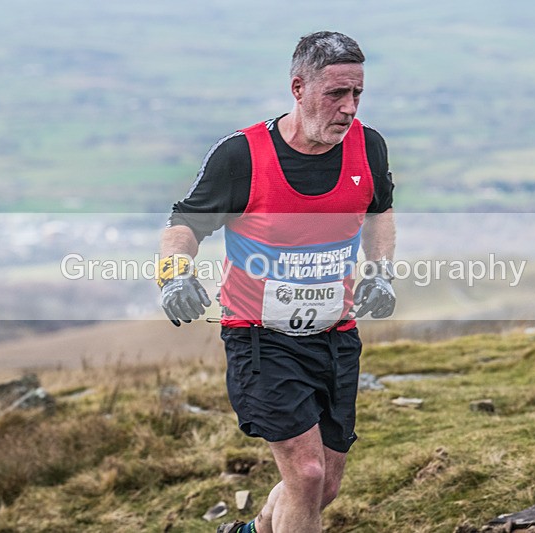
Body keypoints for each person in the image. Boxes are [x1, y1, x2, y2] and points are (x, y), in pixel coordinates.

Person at [157, 31, 396, 533]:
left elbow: (380, 213)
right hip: (261, 339)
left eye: (357, 94)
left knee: (324, 484)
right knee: (306, 475)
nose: (349, 108)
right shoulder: (241, 156)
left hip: (335, 338)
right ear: (298, 88)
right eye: (336, 94)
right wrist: (174, 276)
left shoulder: (368, 147)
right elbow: (184, 225)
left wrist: (381, 271)